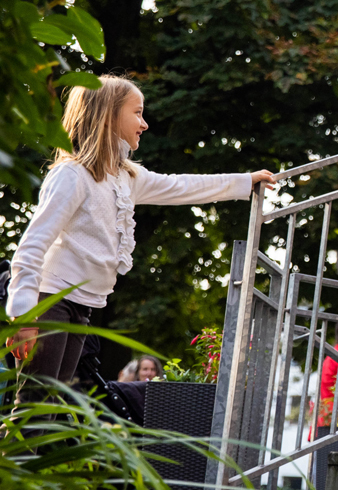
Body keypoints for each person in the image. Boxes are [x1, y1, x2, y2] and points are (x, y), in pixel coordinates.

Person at [4, 75, 275, 407]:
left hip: (82, 305)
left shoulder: (126, 178)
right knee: (34, 409)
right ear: (109, 114)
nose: (144, 124)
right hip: (51, 300)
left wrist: (244, 182)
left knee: (51, 410)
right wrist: (24, 314)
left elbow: (183, 186)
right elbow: (32, 245)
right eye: (138, 113)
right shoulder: (72, 175)